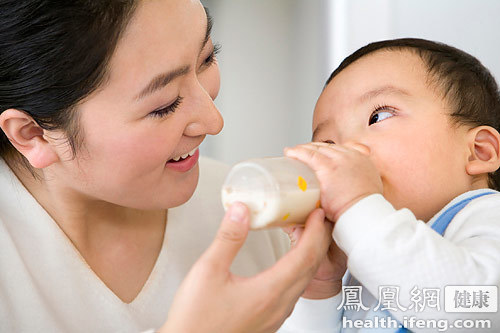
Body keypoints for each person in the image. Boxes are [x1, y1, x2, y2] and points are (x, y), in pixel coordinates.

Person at [0, 1, 335, 332]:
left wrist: (320, 293)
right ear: (34, 135)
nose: (213, 121)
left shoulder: (254, 211)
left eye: (207, 57)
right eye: (164, 105)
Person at [283, 38, 500, 332]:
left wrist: (355, 204)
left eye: (378, 116)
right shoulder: (362, 262)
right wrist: (319, 286)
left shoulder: (487, 215)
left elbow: (473, 311)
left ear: (479, 152)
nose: (349, 149)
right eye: (328, 143)